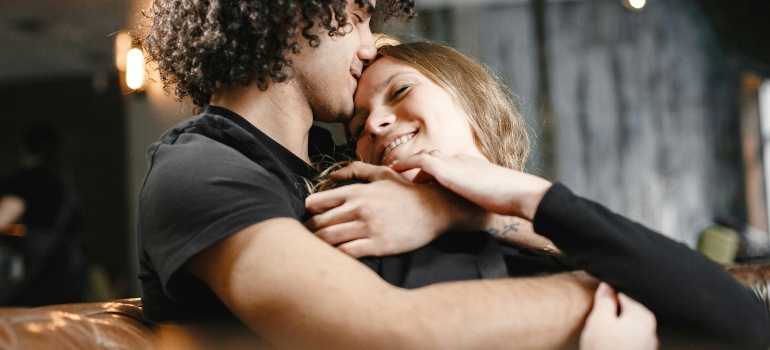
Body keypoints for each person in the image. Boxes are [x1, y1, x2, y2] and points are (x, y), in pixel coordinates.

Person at [138, 1, 605, 349]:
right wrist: (607, 294)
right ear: (288, 13)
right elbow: (388, 333)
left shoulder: (341, 161)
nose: (368, 47)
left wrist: (459, 213)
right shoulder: (202, 167)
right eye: (359, 17)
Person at [304, 40, 770, 347]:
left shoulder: (543, 242)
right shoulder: (361, 232)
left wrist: (510, 202)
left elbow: (743, 322)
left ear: (468, 97)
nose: (376, 125)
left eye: (400, 91)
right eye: (359, 126)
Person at [0, 123, 87, 306]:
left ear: (26, 148)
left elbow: (3, 218)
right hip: (73, 271)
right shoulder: (64, 180)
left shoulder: (30, 178)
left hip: (44, 271)